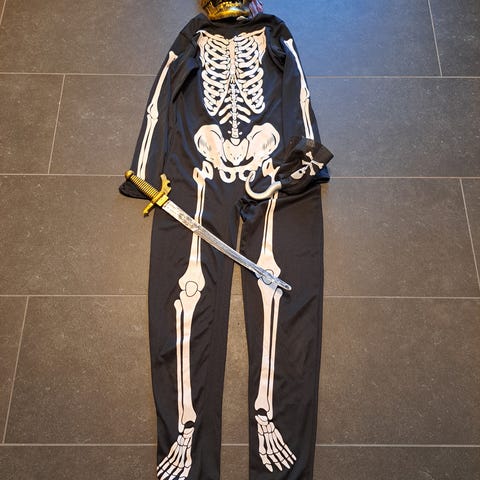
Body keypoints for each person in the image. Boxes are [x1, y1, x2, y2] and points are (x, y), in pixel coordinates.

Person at [120, 1, 333, 478]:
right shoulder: (193, 33)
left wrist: (300, 163)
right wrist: (146, 171)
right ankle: (186, 442)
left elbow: (298, 90)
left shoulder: (273, 30)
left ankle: (277, 442)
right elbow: (162, 96)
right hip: (200, 164)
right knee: (185, 291)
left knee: (285, 289)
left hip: (270, 165)